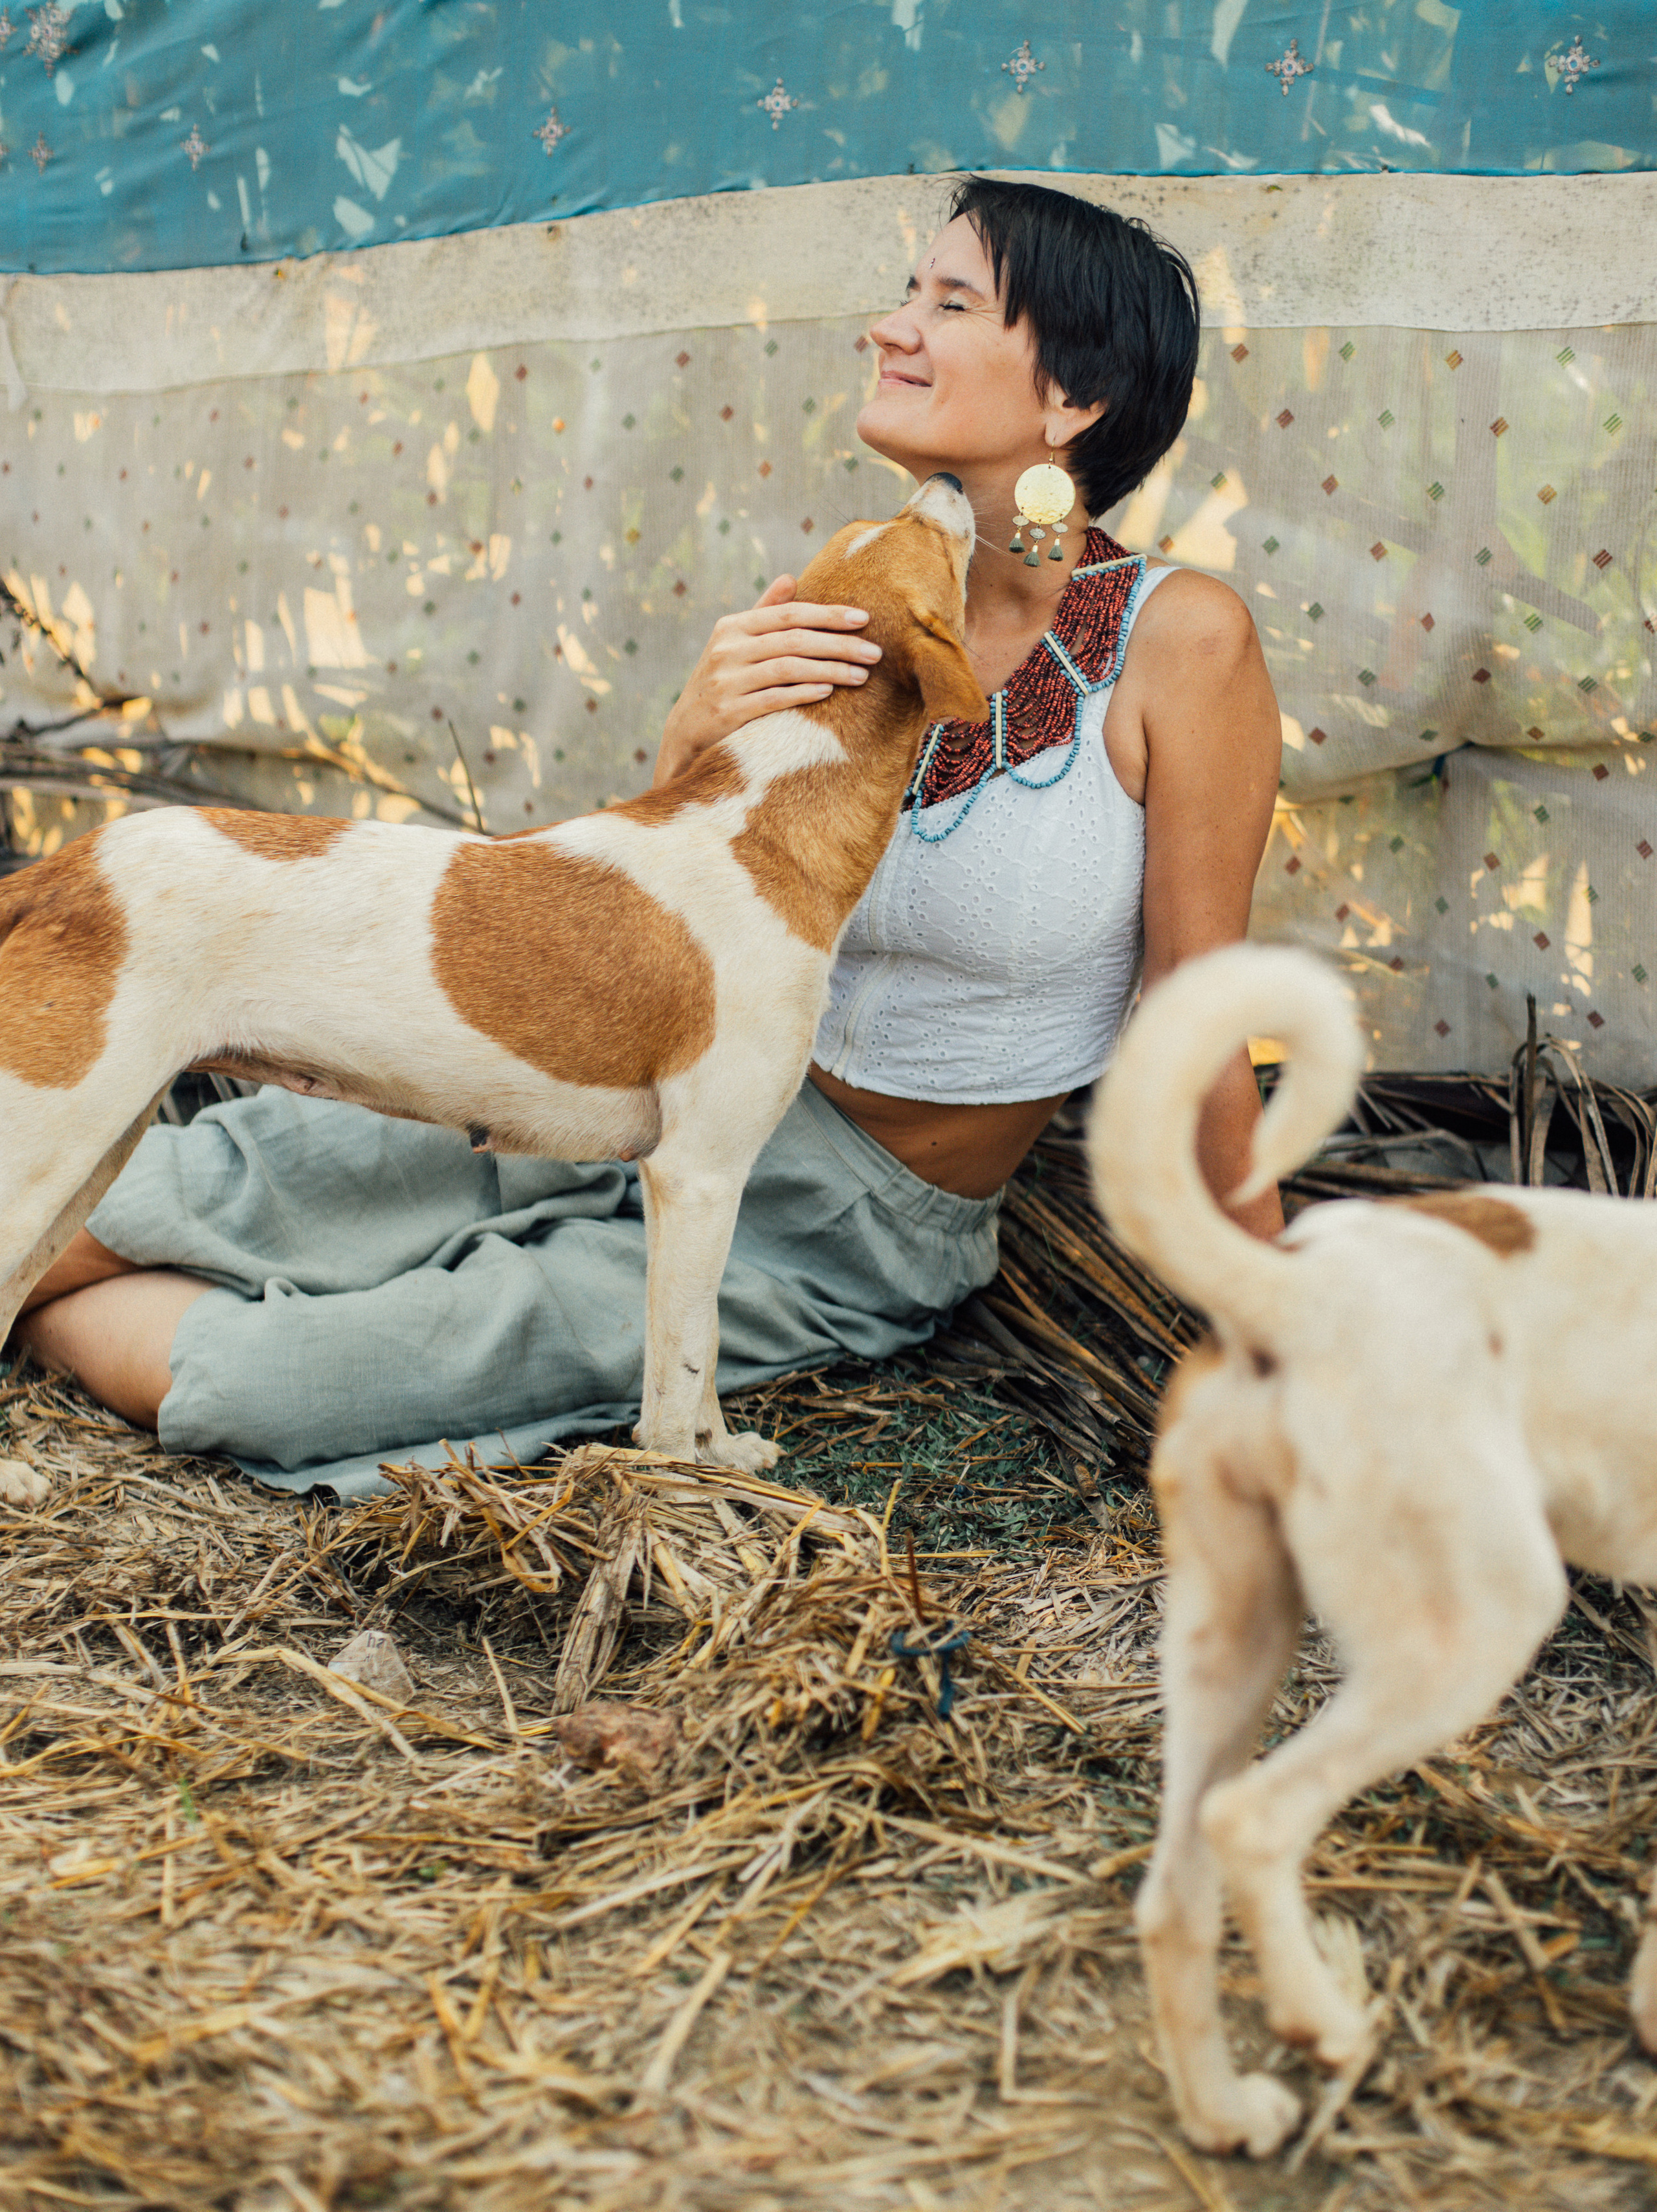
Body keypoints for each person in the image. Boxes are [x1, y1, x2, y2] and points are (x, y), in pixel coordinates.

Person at [11, 178, 1282, 1499]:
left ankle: (46, 1326)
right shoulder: (848, 588)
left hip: (839, 1217)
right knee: (191, 1193)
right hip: (599, 1076)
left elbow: (1197, 1009)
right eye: (905, 292)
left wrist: (1276, 1330)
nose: (890, 327)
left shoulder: (1181, 644)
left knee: (273, 1382)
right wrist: (689, 732)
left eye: (949, 303)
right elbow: (670, 907)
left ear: (1073, 398)